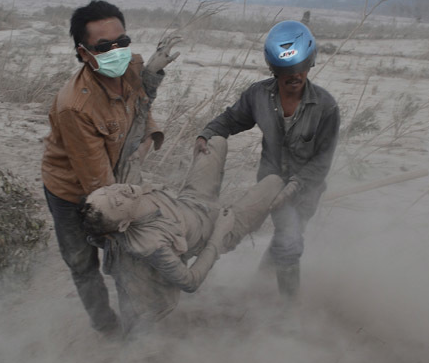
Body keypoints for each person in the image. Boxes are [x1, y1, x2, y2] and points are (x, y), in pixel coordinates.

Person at [41, 0, 179, 335]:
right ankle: (107, 328)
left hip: (114, 173)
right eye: (104, 47)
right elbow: (100, 187)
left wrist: (151, 83)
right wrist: (129, 194)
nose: (117, 51)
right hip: (72, 191)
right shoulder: (75, 106)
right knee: (82, 262)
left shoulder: (131, 66)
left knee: (128, 259)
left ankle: (137, 326)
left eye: (122, 41)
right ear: (84, 53)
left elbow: (141, 108)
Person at [195, 20, 340, 299]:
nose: (294, 76)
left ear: (311, 63)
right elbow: (231, 119)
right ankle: (284, 308)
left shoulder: (326, 107)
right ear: (273, 69)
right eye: (286, 71)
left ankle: (265, 291)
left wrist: (297, 185)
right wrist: (208, 134)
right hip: (270, 184)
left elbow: (323, 160)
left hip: (307, 190)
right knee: (289, 240)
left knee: (288, 239)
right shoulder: (258, 95)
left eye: (301, 68)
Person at [82, 136, 284, 333]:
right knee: (275, 182)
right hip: (217, 229)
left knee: (216, 141)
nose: (120, 192)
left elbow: (133, 154)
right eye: (117, 202)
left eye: (109, 191)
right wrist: (220, 232)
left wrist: (150, 135)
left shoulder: (127, 191)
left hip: (193, 199)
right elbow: (190, 282)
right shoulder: (151, 244)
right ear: (125, 224)